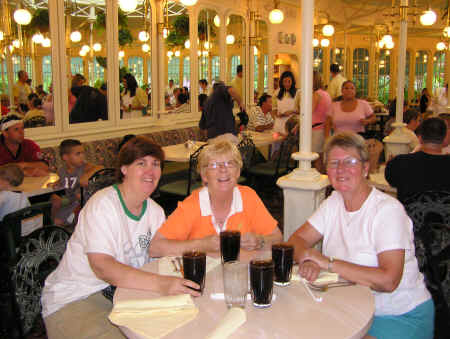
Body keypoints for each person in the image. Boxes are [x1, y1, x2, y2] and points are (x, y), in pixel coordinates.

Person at [42, 136, 200, 339]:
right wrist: (163, 284)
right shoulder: (103, 205)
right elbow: (102, 266)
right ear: (124, 169)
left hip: (125, 294)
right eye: (141, 163)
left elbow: (162, 253)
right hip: (78, 297)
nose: (150, 171)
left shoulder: (155, 212)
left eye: (156, 164)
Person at [288, 132, 434, 339]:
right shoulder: (333, 202)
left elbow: (388, 281)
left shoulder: (387, 211)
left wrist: (326, 263)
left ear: (365, 168)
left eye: (350, 161)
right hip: (350, 308)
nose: (341, 169)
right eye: (334, 163)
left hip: (397, 315)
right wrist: (307, 259)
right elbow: (296, 241)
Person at [149, 140, 282, 257]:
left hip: (241, 275)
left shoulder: (248, 197)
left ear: (237, 172)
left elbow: (277, 238)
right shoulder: (193, 204)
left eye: (229, 163)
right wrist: (201, 245)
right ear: (204, 175)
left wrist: (260, 241)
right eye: (214, 165)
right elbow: (155, 248)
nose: (223, 169)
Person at [385, 117, 450, 203]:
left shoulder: (399, 163)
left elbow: (392, 182)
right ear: (445, 139)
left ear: (419, 138)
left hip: (409, 215)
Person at [50, 139, 103, 226]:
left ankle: (75, 222)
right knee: (54, 206)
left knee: (77, 201)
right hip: (69, 201)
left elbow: (100, 168)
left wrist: (87, 175)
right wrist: (57, 182)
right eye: (78, 154)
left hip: (81, 202)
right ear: (65, 157)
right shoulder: (62, 171)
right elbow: (65, 181)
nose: (82, 156)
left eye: (83, 153)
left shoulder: (85, 167)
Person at [311, 71, 332, 172]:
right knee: (322, 157)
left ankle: (319, 182)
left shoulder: (316, 94)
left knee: (317, 158)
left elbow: (309, 111)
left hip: (316, 129)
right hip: (324, 128)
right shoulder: (326, 94)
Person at [0, 164, 31, 230]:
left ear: (5, 181)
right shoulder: (23, 194)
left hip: (4, 229)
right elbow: (28, 211)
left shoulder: (4, 195)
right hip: (18, 228)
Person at [272, 71, 300, 136]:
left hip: (292, 125)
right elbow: (274, 109)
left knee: (289, 144)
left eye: (289, 81)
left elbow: (302, 111)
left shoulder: (298, 93)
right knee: (277, 145)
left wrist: (291, 112)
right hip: (279, 125)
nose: (287, 84)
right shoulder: (276, 93)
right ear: (281, 82)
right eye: (284, 81)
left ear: (292, 82)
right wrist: (277, 114)